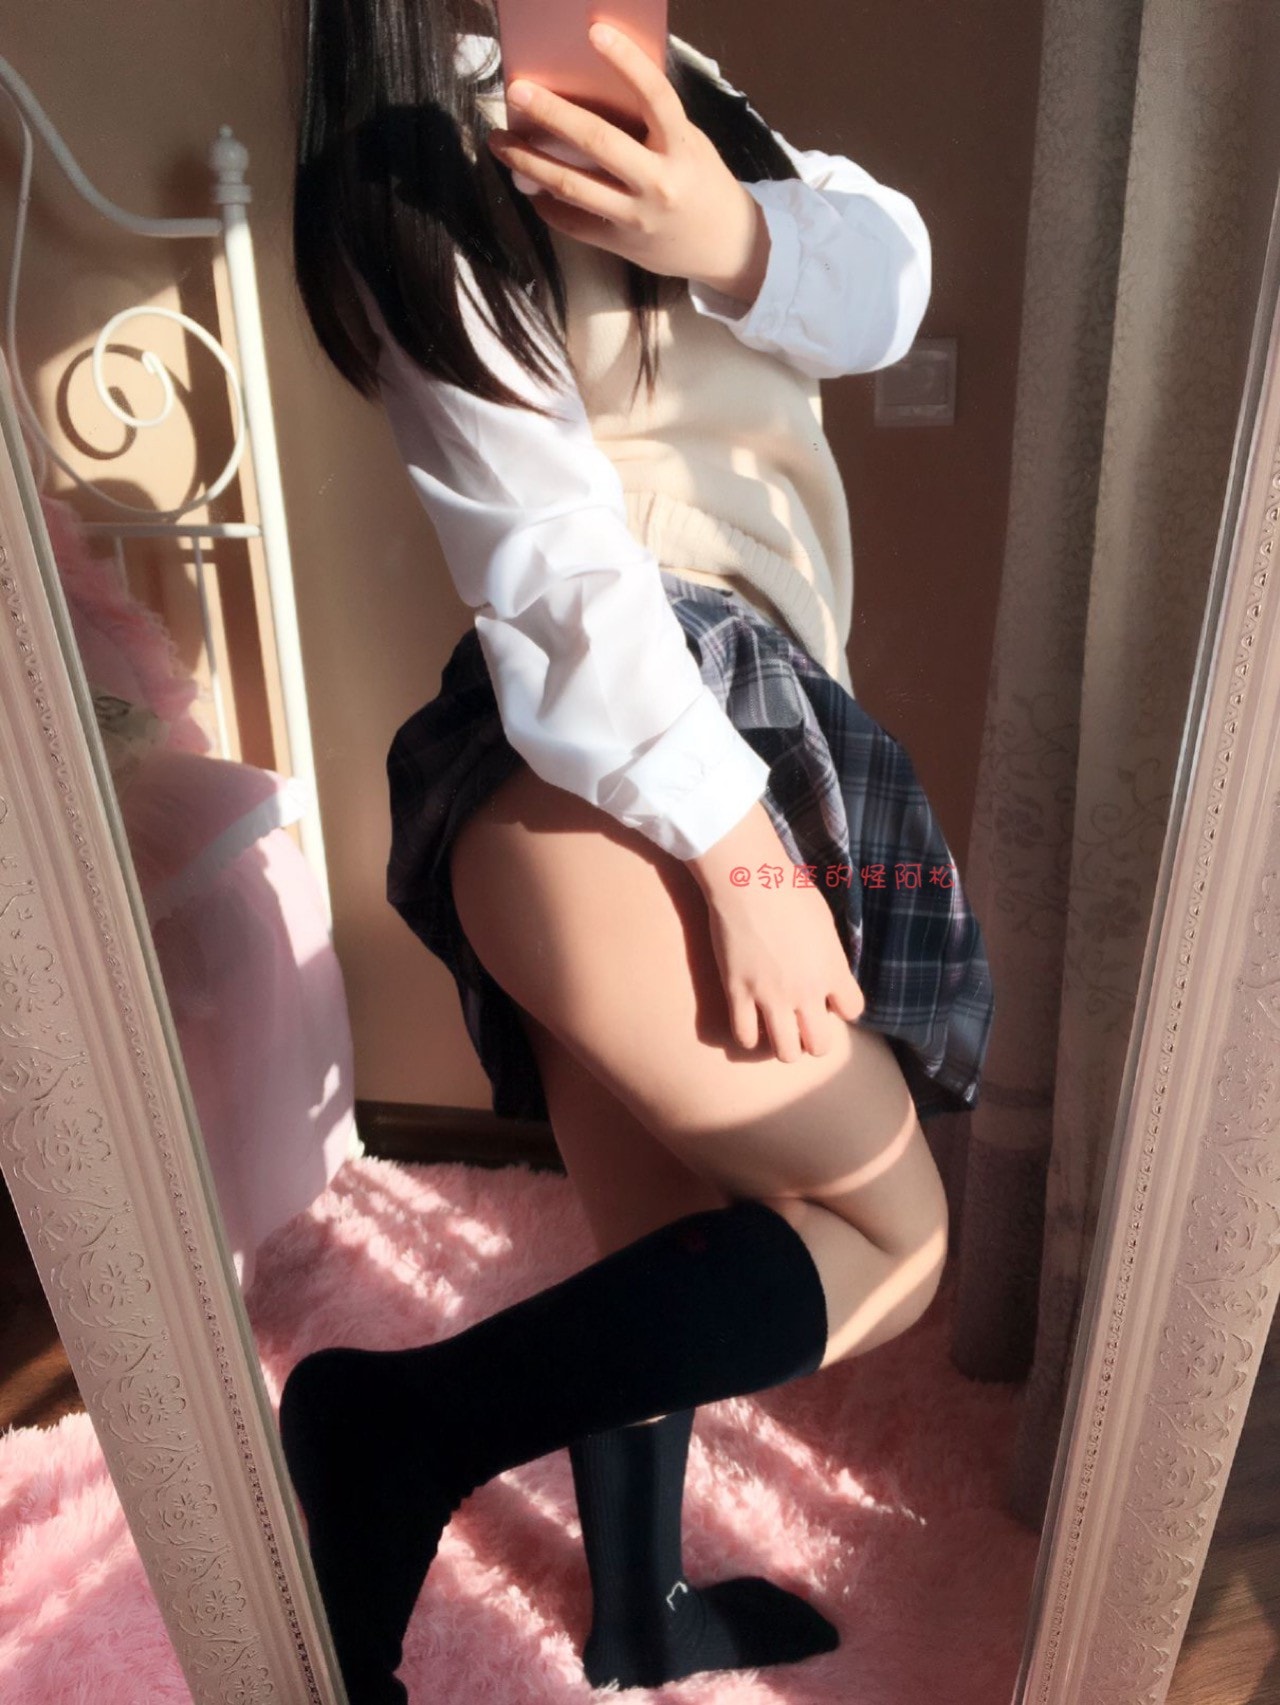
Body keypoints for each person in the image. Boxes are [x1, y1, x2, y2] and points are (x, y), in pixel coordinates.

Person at [282, 4, 996, 1700]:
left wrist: (731, 230)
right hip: (619, 749)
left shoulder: (700, 112)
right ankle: (395, 1430)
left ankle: (637, 1606)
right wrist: (742, 851)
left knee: (652, 1244)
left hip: (714, 742)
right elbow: (550, 572)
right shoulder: (420, 160)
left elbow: (889, 281)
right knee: (892, 1234)